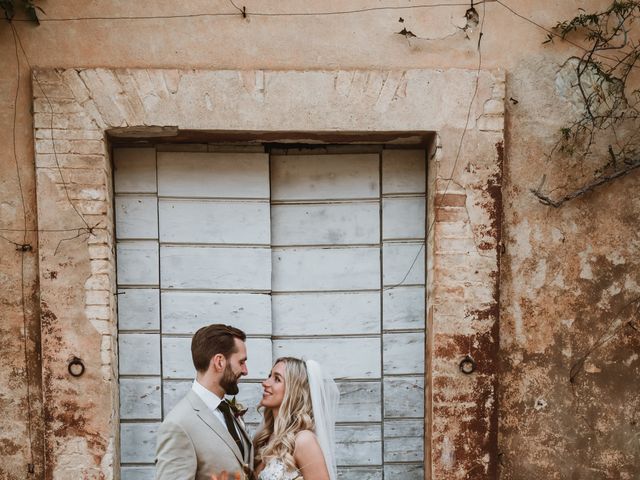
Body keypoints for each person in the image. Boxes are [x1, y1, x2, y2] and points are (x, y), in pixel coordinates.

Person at [155, 324, 253, 480]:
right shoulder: (179, 425)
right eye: (241, 362)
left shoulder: (228, 411)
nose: (245, 371)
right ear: (219, 361)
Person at [253, 357, 339, 480]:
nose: (265, 383)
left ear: (293, 391)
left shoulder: (304, 440)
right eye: (269, 376)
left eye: (277, 379)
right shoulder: (265, 438)